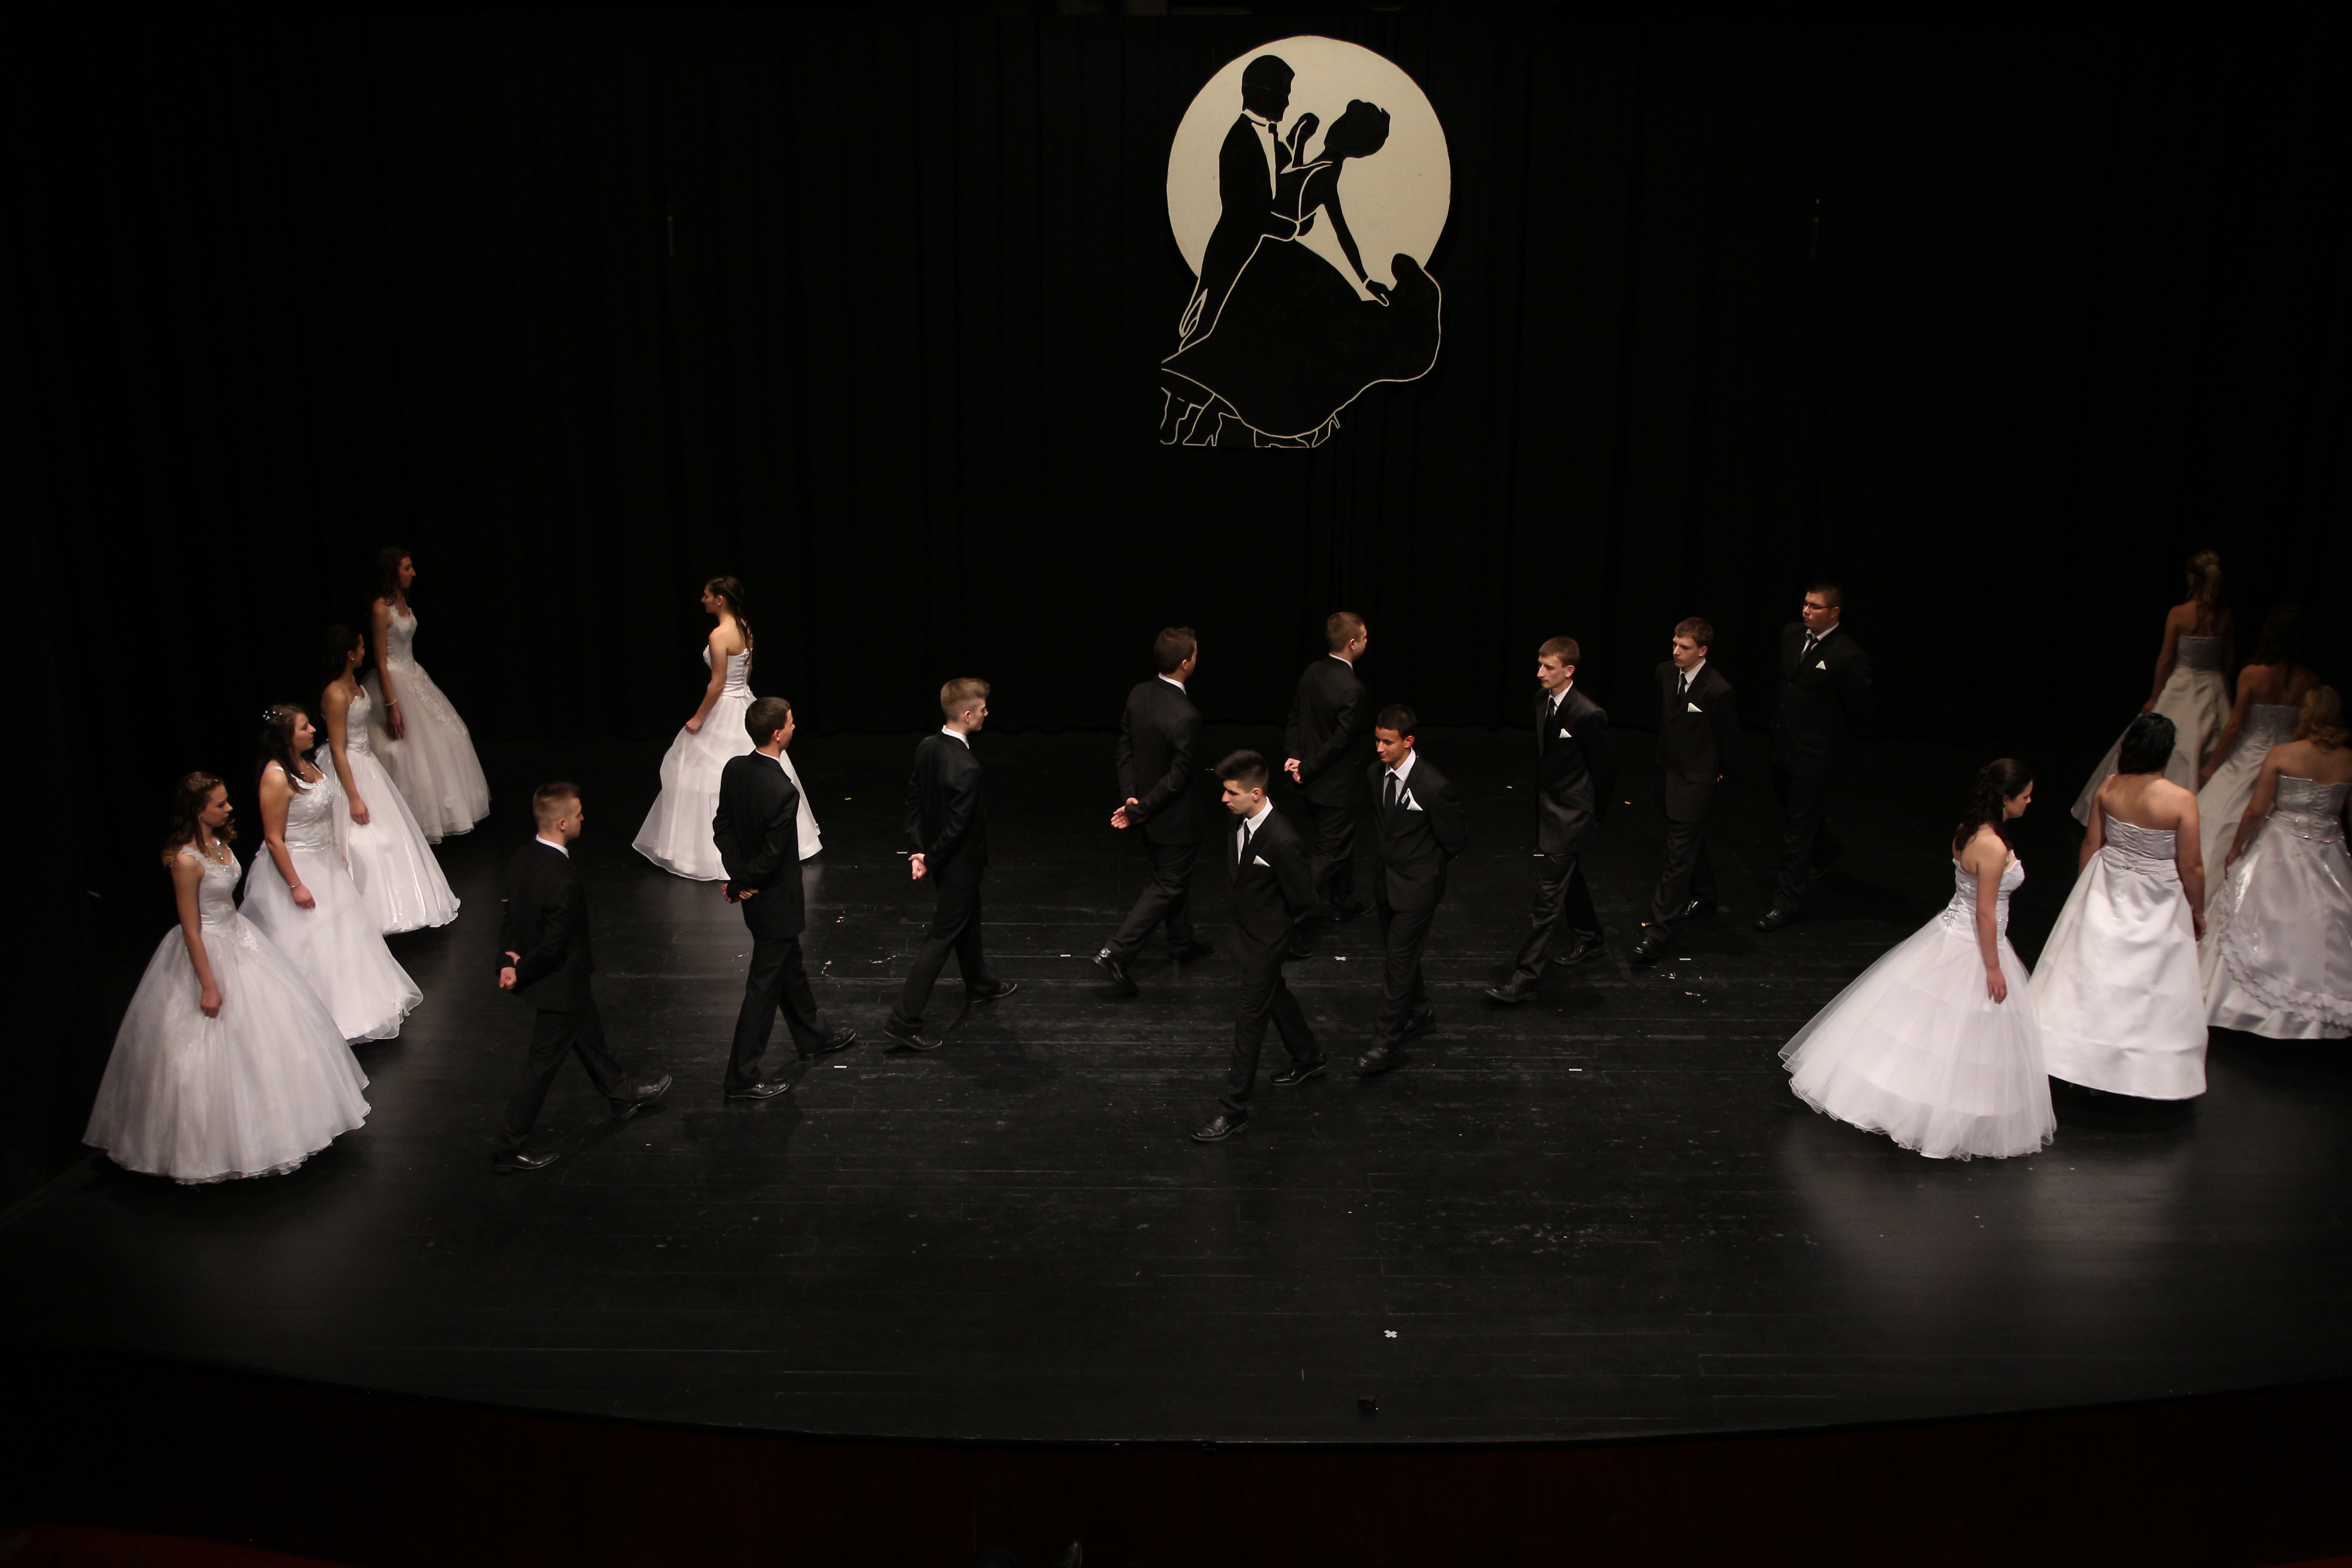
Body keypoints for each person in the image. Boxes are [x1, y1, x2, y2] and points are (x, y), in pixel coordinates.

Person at [83, 773, 370, 1184]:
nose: (230, 808)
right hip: (210, 949)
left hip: (241, 939)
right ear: (199, 811)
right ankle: (211, 1150)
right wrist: (209, 984)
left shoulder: (220, 844)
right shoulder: (186, 862)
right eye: (220, 804)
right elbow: (192, 929)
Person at [1779, 760, 2054, 1160]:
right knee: (1960, 1029)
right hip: (1974, 944)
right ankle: (1934, 1113)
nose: (2030, 801)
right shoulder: (1993, 846)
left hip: (1950, 932)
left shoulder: (1968, 831)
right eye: (2025, 796)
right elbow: (1984, 913)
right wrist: (1994, 967)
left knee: (1930, 1025)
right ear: (2006, 798)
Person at [495, 783, 672, 1172]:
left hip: (559, 981)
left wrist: (507, 961)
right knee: (541, 1068)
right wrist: (521, 969)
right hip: (560, 984)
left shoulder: (522, 858)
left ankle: (622, 1094)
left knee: (588, 1034)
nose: (582, 819)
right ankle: (508, 1148)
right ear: (562, 823)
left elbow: (511, 915)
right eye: (577, 814)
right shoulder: (563, 878)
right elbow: (554, 944)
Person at [2034, 714, 2208, 1099]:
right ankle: (2134, 1070)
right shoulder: (2181, 800)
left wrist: (2083, 892)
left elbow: (2091, 844)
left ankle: (2070, 1058)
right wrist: (2198, 910)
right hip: (2158, 897)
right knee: (2146, 979)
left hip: (2107, 884)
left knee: (2092, 970)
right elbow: (2192, 865)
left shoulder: (2110, 787)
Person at [240, 705, 421, 1043]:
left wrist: (336, 850)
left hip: (326, 863)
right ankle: (318, 1020)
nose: (313, 730)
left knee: (344, 936)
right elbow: (274, 838)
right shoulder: (276, 776)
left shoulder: (307, 764)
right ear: (286, 737)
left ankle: (360, 1007)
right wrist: (296, 885)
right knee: (312, 942)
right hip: (299, 868)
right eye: (303, 727)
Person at [714, 696, 857, 1098]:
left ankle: (813, 1036)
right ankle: (741, 1077)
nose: (795, 727)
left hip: (758, 897)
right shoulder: (781, 789)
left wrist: (737, 877)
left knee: (789, 969)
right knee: (763, 989)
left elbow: (722, 828)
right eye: (791, 723)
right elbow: (775, 857)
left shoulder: (735, 768)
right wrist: (741, 882)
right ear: (778, 734)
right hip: (775, 901)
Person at [635, 576, 822, 879]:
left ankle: (701, 853)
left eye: (707, 595)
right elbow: (747, 670)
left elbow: (718, 683)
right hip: (744, 701)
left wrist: (699, 718)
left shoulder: (719, 635)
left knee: (706, 770)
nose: (703, 600)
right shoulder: (744, 627)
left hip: (724, 705)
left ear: (720, 600)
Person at [2202, 686, 2352, 1039]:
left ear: (2306, 713)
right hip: (2330, 848)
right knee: (2326, 924)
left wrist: (2237, 848)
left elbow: (2256, 810)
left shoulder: (2283, 754)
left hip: (2281, 845)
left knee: (2268, 918)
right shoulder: (2348, 759)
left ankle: (2245, 1008)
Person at [1190, 750, 1320, 1142]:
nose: (1224, 799)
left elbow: (1303, 898)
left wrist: (1275, 936)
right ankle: (1309, 1056)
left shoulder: (1283, 839)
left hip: (1267, 942)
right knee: (1275, 996)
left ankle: (1233, 1110)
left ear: (1256, 793)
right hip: (1246, 934)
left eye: (1231, 793)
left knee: (1249, 1024)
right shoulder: (1239, 820)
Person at [884, 679, 1018, 1051]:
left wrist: (918, 850)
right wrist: (929, 858)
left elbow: (915, 801)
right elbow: (959, 828)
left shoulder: (928, 747)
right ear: (968, 714)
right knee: (942, 937)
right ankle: (903, 1021)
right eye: (984, 708)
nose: (988, 713)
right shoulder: (968, 767)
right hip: (958, 866)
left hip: (943, 862)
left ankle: (979, 983)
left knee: (968, 917)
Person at [1487, 636, 1615, 1002]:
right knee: (1568, 878)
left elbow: (1605, 771)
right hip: (1550, 808)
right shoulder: (1542, 700)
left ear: (1569, 671)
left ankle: (1525, 976)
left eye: (1549, 667)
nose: (1540, 673)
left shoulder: (1588, 714)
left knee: (1547, 899)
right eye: (1540, 665)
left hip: (1572, 815)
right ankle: (1590, 937)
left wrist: (1593, 818)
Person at [2071, 549, 2234, 823]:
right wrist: (2224, 691)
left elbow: (2166, 659)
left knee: (2164, 744)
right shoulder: (2225, 616)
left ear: (2192, 578)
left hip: (2183, 684)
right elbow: (2229, 660)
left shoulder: (2180, 614)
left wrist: (2155, 696)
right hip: (2214, 688)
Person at [316, 623, 459, 933]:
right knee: (362, 839)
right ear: (349, 654)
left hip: (367, 762)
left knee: (391, 834)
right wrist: (354, 797)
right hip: (349, 766)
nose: (365, 651)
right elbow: (338, 749)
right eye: (361, 647)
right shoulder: (335, 693)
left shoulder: (353, 683)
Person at [1095, 628, 1212, 995]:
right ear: (1186, 663)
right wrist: (1140, 808)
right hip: (1173, 819)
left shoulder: (1139, 693)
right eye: (1196, 654)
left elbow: (1125, 749)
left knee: (1173, 877)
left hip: (1146, 812)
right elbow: (1179, 778)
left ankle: (1181, 942)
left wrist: (1132, 800)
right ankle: (1117, 952)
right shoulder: (1186, 715)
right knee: (1168, 884)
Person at [1356, 706, 1468, 1076]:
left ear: (1408, 741)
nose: (1380, 749)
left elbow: (1455, 839)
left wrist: (1427, 868)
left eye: (1388, 742)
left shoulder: (1433, 785)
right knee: (1399, 956)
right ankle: (1420, 1013)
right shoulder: (1375, 775)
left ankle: (1384, 1044)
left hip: (1418, 888)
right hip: (1387, 883)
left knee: (1397, 965)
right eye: (1377, 740)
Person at [1758, 583, 1875, 931]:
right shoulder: (1792, 635)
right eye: (1805, 604)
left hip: (1813, 756)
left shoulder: (1848, 655)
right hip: (1783, 746)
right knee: (1797, 812)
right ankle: (1828, 848)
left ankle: (1786, 902)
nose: (1806, 610)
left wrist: (1827, 738)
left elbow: (1859, 709)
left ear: (1835, 612)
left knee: (1797, 830)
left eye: (1815, 606)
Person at [363, 545, 491, 841]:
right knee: (407, 753)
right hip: (394, 680)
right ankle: (410, 821)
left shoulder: (401, 601)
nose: (413, 573)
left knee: (453, 735)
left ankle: (446, 812)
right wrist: (392, 705)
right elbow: (381, 661)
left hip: (413, 674)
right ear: (393, 572)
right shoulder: (381, 609)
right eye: (407, 568)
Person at [2193, 604, 2318, 902]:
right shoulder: (2309, 681)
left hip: (2248, 755)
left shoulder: (2252, 675)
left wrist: (2213, 765)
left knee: (2220, 812)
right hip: (2289, 757)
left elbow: (2235, 724)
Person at [1633, 618, 1737, 965]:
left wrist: (1717, 772)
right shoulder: (1666, 673)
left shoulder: (1717, 690)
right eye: (1675, 644)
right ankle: (1705, 896)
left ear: (1702, 651)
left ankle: (1658, 932)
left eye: (1685, 647)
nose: (1677, 652)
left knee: (1677, 859)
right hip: (1668, 777)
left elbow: (1729, 739)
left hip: (1696, 782)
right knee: (1690, 844)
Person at [1284, 611, 1372, 940]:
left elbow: (1296, 716)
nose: (1367, 641)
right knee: (1329, 854)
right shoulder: (1353, 689)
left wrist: (1295, 757)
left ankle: (1343, 901)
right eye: (1364, 637)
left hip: (1311, 784)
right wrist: (1305, 766)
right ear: (1352, 643)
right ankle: (1286, 920)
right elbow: (1340, 743)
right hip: (1336, 788)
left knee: (1338, 845)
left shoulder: (1312, 672)